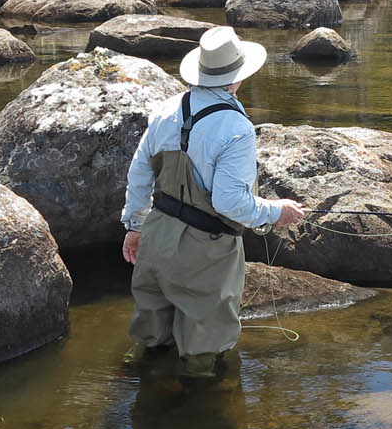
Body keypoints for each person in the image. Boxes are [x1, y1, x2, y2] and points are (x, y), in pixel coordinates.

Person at [121, 26, 306, 380]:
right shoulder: (236, 127)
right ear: (237, 78)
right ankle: (201, 415)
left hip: (157, 234)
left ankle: (141, 393)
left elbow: (139, 174)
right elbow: (230, 203)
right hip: (205, 250)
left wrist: (134, 227)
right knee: (204, 348)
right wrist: (277, 212)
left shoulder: (165, 109)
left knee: (151, 331)